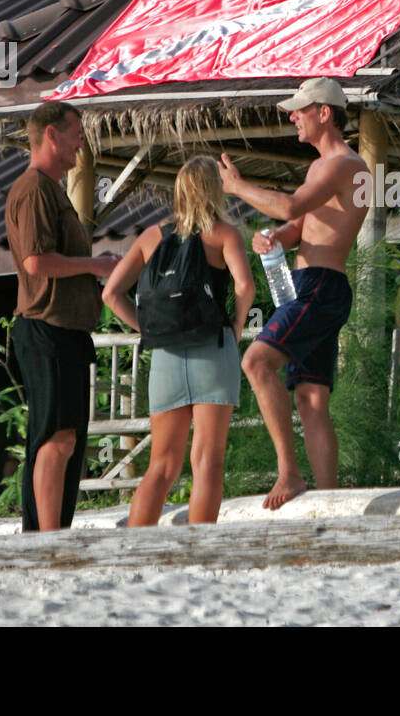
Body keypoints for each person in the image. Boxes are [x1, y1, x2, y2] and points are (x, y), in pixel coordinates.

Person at [217, 77, 369, 510]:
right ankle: (329, 499)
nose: (292, 116)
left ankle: (289, 471)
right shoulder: (326, 166)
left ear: (326, 112)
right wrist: (275, 239)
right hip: (314, 285)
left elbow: (289, 206)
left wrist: (238, 187)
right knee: (311, 397)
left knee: (256, 361)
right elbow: (300, 225)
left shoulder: (343, 164)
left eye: (301, 108)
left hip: (318, 286)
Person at [102, 157, 254, 525]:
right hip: (213, 351)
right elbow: (245, 286)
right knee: (206, 461)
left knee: (161, 464)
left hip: (166, 357)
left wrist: (145, 328)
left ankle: (136, 548)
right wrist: (235, 325)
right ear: (213, 190)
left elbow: (110, 293)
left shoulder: (151, 236)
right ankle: (197, 548)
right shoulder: (224, 233)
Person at [5, 102, 118, 532]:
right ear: (51, 135)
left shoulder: (50, 188)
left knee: (67, 440)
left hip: (65, 331)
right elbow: (35, 262)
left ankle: (54, 534)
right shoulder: (33, 188)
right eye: (75, 134)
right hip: (46, 327)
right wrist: (93, 266)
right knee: (56, 437)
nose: (80, 144)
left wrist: (96, 265)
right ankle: (46, 539)